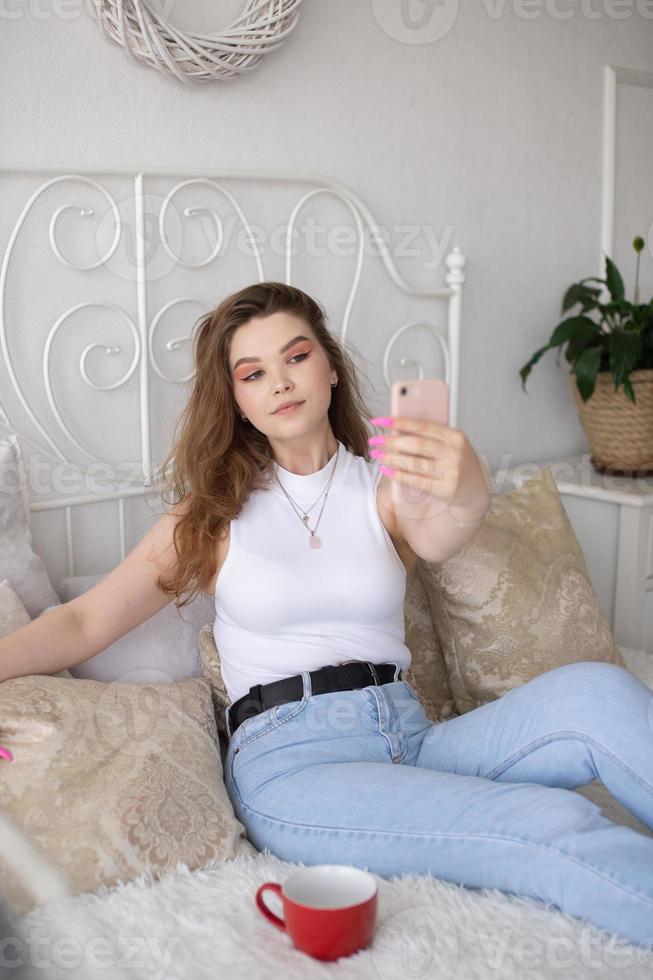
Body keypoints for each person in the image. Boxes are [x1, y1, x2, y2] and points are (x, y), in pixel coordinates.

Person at [1, 282, 652, 951]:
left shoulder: (384, 491)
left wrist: (467, 482)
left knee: (594, 691)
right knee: (544, 820)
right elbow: (82, 624)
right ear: (239, 403)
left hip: (411, 736)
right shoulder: (210, 519)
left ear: (330, 368)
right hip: (293, 767)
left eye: (296, 356)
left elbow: (443, 529)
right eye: (253, 373)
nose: (279, 382)